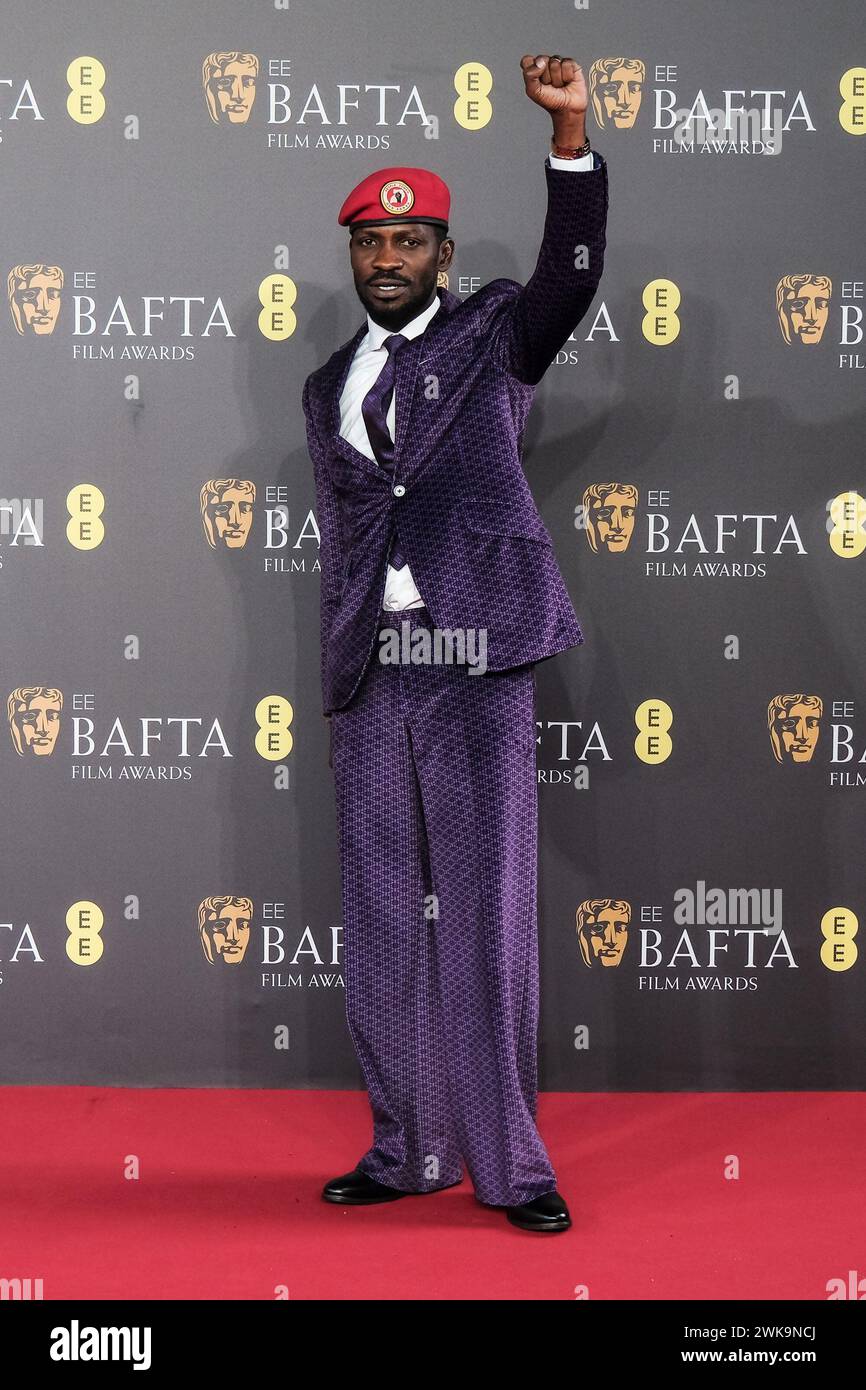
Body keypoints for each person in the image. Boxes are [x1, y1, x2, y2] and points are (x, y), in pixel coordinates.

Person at [302, 53, 608, 1233]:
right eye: (371, 246)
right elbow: (350, 523)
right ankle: (403, 1147)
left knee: (483, 912)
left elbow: (569, 275)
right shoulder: (325, 380)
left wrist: (569, 133)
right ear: (355, 258)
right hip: (372, 665)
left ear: (440, 251)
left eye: (410, 241)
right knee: (381, 909)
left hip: (470, 653)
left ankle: (511, 1167)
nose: (388, 259)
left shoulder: (492, 335)